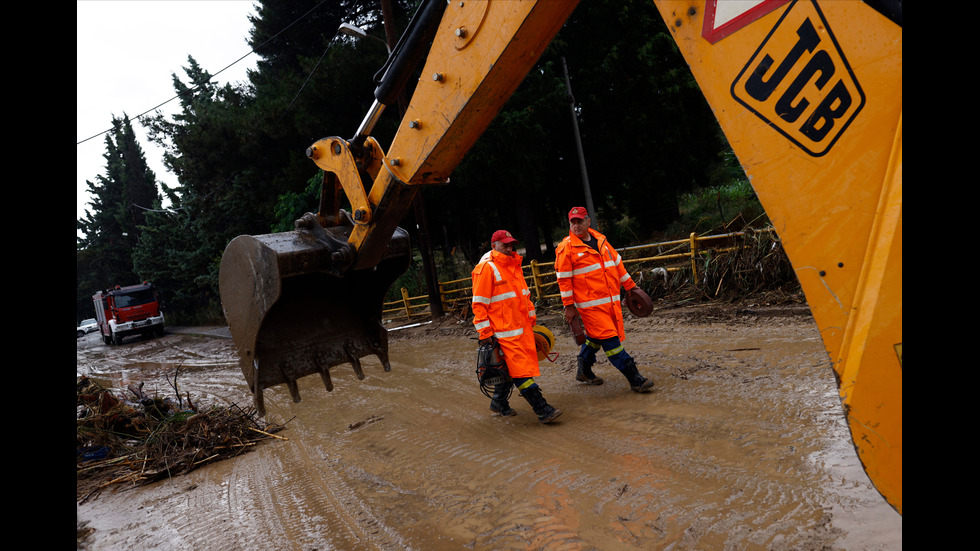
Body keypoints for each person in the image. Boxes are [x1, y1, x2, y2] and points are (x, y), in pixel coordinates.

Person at [555, 207, 655, 392]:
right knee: (611, 341)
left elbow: (617, 266)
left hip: (610, 303)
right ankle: (635, 379)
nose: (576, 225)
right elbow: (564, 281)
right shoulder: (566, 248)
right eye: (572, 222)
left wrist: (632, 288)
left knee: (595, 337)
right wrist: (569, 307)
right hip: (589, 307)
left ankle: (583, 369)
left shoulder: (601, 241)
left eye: (579, 221)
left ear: (588, 221)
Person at [471, 230, 563, 423]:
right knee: (521, 372)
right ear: (493, 245)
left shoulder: (513, 266)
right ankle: (543, 410)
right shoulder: (486, 269)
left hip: (520, 330)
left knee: (508, 371)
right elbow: (479, 305)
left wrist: (531, 321)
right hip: (503, 334)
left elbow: (524, 296)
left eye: (511, 244)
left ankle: (499, 404)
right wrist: (485, 333)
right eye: (504, 245)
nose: (509, 248)